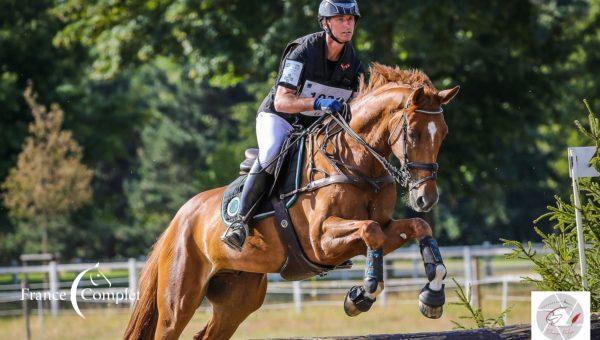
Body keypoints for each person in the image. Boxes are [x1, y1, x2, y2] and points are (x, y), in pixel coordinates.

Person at [221, 0, 365, 251]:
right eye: (341, 19)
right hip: (280, 118)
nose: (347, 25)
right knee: (272, 151)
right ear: (325, 23)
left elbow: (356, 104)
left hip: (314, 128)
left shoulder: (353, 62)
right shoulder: (302, 51)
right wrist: (318, 102)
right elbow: (283, 100)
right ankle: (239, 222)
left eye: (350, 19)